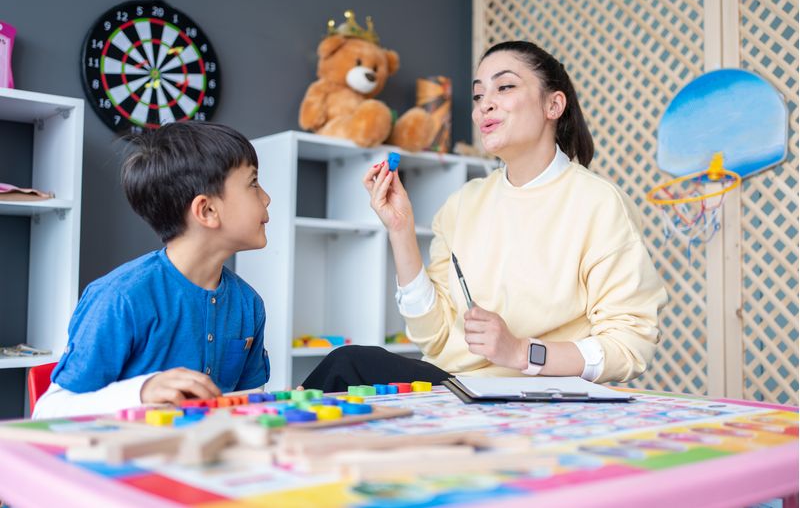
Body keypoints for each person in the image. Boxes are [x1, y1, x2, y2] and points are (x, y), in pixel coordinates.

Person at [303, 40, 667, 392]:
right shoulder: (462, 203)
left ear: (553, 105)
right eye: (478, 96)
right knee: (347, 367)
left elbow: (630, 345)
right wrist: (400, 230)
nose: (483, 107)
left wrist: (522, 352)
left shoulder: (599, 203)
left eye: (504, 87)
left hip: (541, 397)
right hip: (460, 388)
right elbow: (435, 337)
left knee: (347, 365)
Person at [33, 121, 272, 418]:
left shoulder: (249, 304)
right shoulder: (121, 297)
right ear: (207, 210)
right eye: (253, 183)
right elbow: (47, 411)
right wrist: (142, 391)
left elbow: (249, 400)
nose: (266, 198)